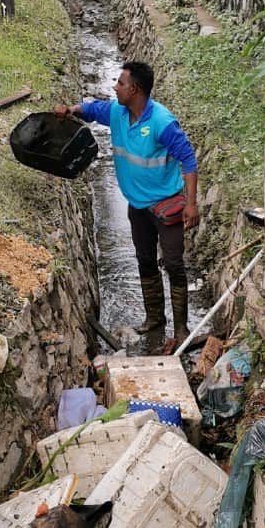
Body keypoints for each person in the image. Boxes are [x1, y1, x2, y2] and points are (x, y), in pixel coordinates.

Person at [55, 61, 200, 347]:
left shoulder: (162, 122)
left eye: (120, 83)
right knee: (145, 260)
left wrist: (191, 204)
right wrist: (71, 109)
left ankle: (181, 328)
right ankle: (155, 318)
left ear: (135, 89)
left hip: (166, 203)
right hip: (137, 205)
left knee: (173, 263)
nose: (115, 87)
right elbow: (93, 109)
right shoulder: (118, 113)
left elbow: (189, 161)